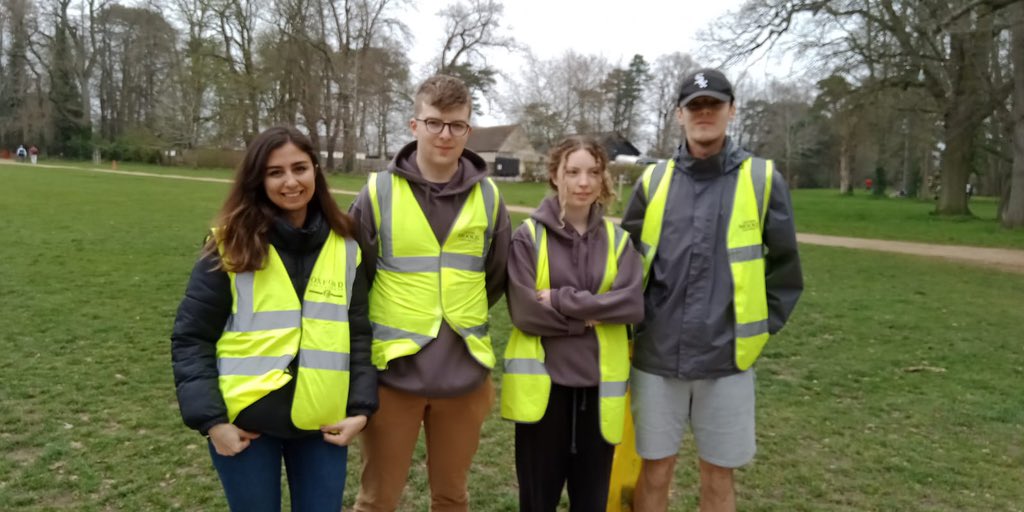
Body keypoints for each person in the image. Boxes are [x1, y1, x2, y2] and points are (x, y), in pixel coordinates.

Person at [621, 69, 803, 512]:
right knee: (655, 470)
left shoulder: (761, 180)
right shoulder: (654, 181)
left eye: (714, 105)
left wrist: (759, 329)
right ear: (679, 115)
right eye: (695, 106)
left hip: (727, 359)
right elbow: (624, 262)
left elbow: (785, 268)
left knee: (717, 473)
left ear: (731, 110)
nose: (705, 114)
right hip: (657, 357)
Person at [171, 126, 377, 512]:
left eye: (299, 168)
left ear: (315, 169)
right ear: (257, 179)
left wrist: (361, 410)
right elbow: (191, 338)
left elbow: (360, 334)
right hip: (246, 428)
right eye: (275, 172)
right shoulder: (228, 244)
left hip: (323, 426)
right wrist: (213, 423)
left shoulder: (347, 245)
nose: (290, 182)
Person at [349, 74, 512, 511]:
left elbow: (494, 276)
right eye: (435, 122)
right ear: (414, 125)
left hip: (463, 378)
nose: (446, 134)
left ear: (468, 130)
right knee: (376, 500)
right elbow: (355, 278)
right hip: (392, 377)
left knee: (452, 498)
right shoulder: (377, 192)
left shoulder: (490, 197)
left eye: (456, 125)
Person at [502, 135, 644, 511]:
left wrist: (563, 300)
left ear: (603, 179)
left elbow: (631, 305)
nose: (584, 182)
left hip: (598, 395)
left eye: (593, 172)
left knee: (591, 503)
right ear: (555, 175)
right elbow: (526, 312)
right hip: (544, 394)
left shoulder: (618, 241)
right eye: (573, 171)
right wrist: (592, 317)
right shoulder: (527, 238)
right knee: (537, 501)